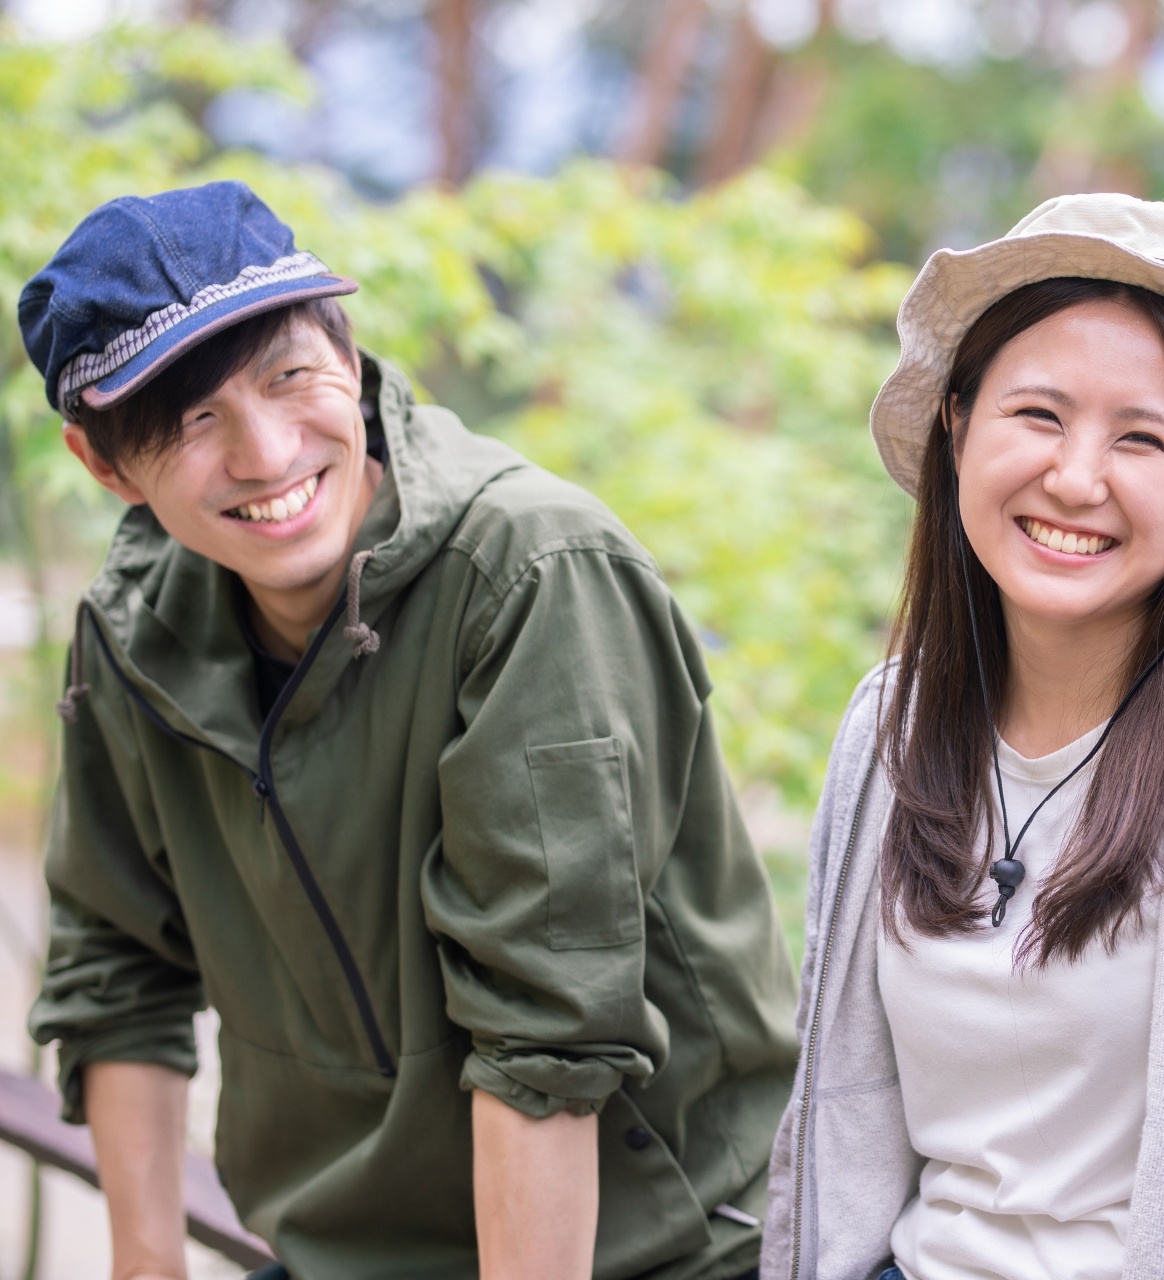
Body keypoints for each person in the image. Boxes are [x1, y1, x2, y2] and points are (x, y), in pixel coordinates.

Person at [19, 181, 798, 1280]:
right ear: (103, 465)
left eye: (291, 377)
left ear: (348, 348)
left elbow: (546, 1037)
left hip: (660, 1246)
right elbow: (118, 967)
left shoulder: (531, 572)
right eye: (191, 419)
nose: (266, 452)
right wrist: (147, 1263)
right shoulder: (133, 633)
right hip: (341, 1250)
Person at [759, 193, 1164, 1280]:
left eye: (1144, 437)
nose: (1078, 477)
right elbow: (832, 1120)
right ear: (957, 425)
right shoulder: (891, 724)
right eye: (1038, 415)